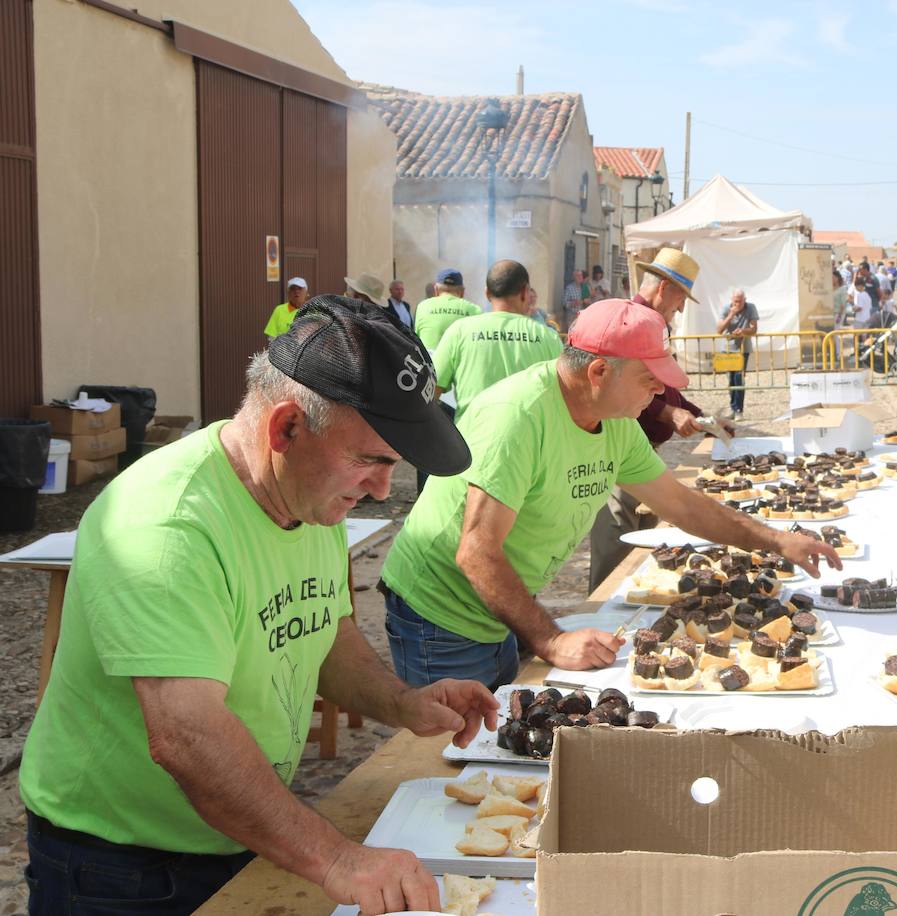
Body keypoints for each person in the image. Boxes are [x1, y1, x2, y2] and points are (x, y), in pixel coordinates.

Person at [21, 296, 497, 916]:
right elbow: (186, 736)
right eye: (370, 460)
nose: (383, 488)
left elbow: (326, 632)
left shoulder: (307, 492)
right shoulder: (165, 525)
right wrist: (336, 859)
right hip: (119, 868)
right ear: (287, 428)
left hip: (238, 827)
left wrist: (401, 701)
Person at [381, 298, 839, 687]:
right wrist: (551, 639)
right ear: (599, 371)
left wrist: (777, 541)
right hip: (439, 612)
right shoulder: (517, 416)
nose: (661, 389)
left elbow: (681, 505)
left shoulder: (616, 421)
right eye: (649, 378)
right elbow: (476, 551)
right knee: (455, 758)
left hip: (497, 602)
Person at [587, 249, 723, 589]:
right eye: (680, 298)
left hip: (642, 449)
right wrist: (669, 412)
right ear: (664, 288)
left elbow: (666, 392)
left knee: (642, 545)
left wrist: (697, 416)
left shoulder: (655, 324)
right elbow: (619, 389)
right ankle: (601, 612)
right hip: (617, 449)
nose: (680, 308)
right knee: (616, 539)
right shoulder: (628, 322)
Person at [431, 259, 562, 423]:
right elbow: (565, 396)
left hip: (470, 441)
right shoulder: (547, 337)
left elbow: (430, 391)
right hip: (530, 443)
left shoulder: (459, 331)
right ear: (525, 292)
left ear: (487, 293)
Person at [413, 268, 480, 351]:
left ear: (436, 290)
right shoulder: (474, 310)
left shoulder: (422, 307)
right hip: (459, 362)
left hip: (429, 362)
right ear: (462, 292)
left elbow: (416, 338)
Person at [716, 287, 759, 418]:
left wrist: (744, 331)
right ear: (731, 300)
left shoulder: (751, 308)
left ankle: (739, 410)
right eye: (735, 301)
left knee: (738, 379)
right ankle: (733, 408)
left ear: (745, 300)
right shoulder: (726, 309)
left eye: (740, 301)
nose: (737, 304)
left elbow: (754, 329)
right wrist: (731, 314)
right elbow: (719, 329)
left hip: (743, 349)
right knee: (731, 380)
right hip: (727, 349)